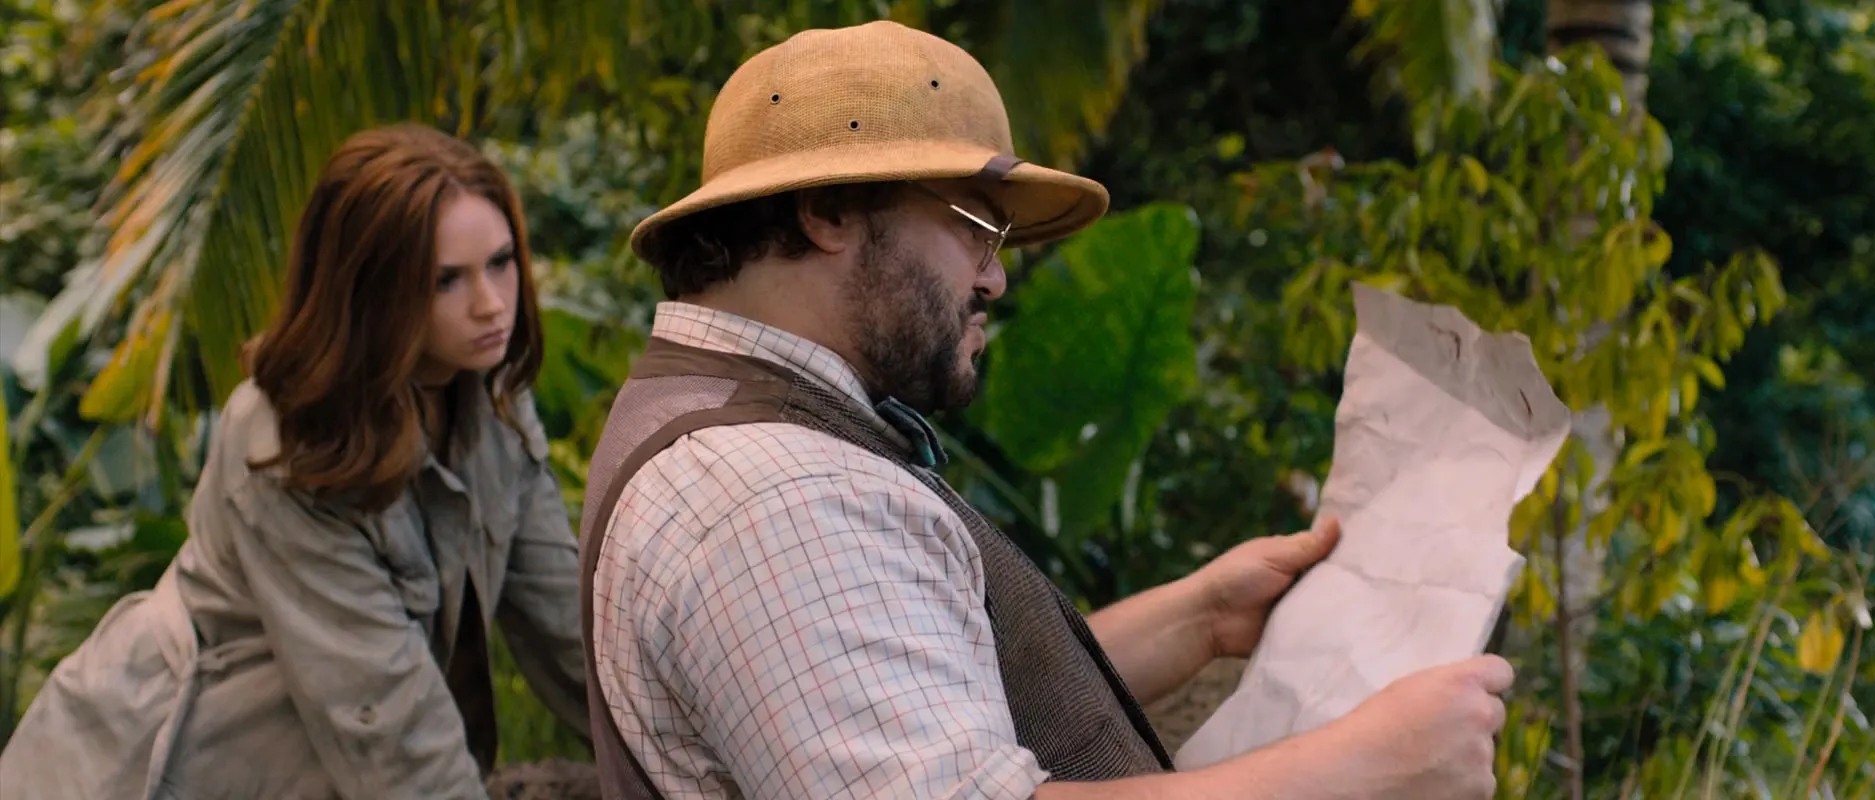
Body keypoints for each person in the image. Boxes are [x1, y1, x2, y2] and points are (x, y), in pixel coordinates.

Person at [577, 20, 1512, 800]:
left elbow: (906, 691)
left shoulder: (714, 415)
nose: (994, 277)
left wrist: (1200, 619)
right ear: (829, 212)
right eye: (976, 226)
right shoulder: (778, 498)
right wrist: (1373, 761)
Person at [0, 123, 592, 799]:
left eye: (501, 262)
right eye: (445, 281)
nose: (491, 305)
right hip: (158, 776)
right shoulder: (292, 441)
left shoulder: (492, 398)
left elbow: (572, 635)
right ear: (371, 290)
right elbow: (392, 729)